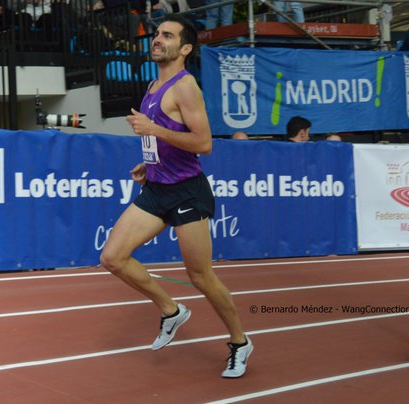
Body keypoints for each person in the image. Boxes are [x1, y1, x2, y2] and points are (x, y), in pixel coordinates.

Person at [100, 14, 253, 378]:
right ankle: (171, 310)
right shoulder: (153, 85)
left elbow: (203, 143)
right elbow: (169, 135)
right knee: (113, 257)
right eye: (157, 34)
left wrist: (154, 130)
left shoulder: (186, 87)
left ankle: (239, 342)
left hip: (186, 192)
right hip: (156, 187)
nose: (157, 39)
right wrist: (149, 160)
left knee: (200, 276)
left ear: (185, 48)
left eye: (167, 35)